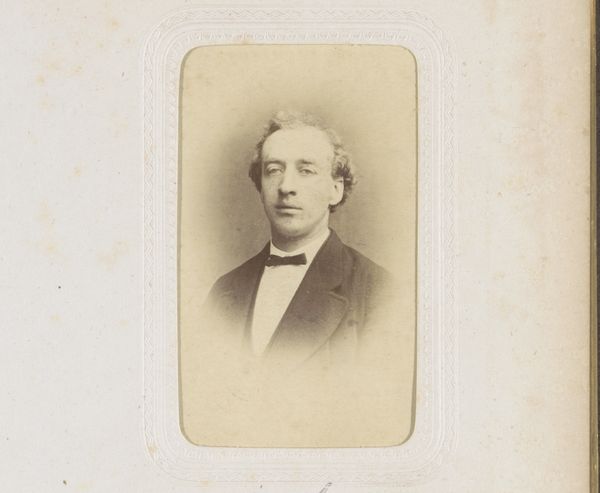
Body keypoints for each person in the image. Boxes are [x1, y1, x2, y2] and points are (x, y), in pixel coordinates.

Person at [188, 111, 414, 446]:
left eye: (306, 170)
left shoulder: (382, 292)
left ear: (335, 189)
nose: (286, 187)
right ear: (260, 185)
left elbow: (379, 418)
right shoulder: (225, 290)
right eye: (273, 170)